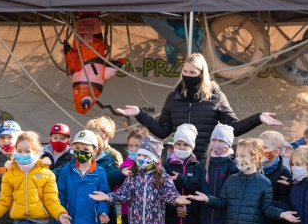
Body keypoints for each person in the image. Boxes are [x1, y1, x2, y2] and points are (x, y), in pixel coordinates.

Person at [115, 53, 282, 158]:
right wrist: (140, 113)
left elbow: (233, 128)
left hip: (205, 160)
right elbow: (162, 131)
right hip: (178, 159)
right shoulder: (173, 97)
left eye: (193, 72)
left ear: (202, 74)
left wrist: (258, 118)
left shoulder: (216, 96)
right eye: (185, 72)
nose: (188, 75)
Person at [86, 116, 124, 224]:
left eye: (96, 132)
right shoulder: (87, 153)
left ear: (106, 135)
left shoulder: (113, 155)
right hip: (90, 202)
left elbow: (115, 177)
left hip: (109, 200)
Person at [41, 123, 73, 224]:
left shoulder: (72, 157)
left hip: (64, 200)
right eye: (55, 138)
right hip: (46, 199)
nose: (58, 141)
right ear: (50, 138)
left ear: (69, 140)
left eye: (62, 138)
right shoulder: (42, 156)